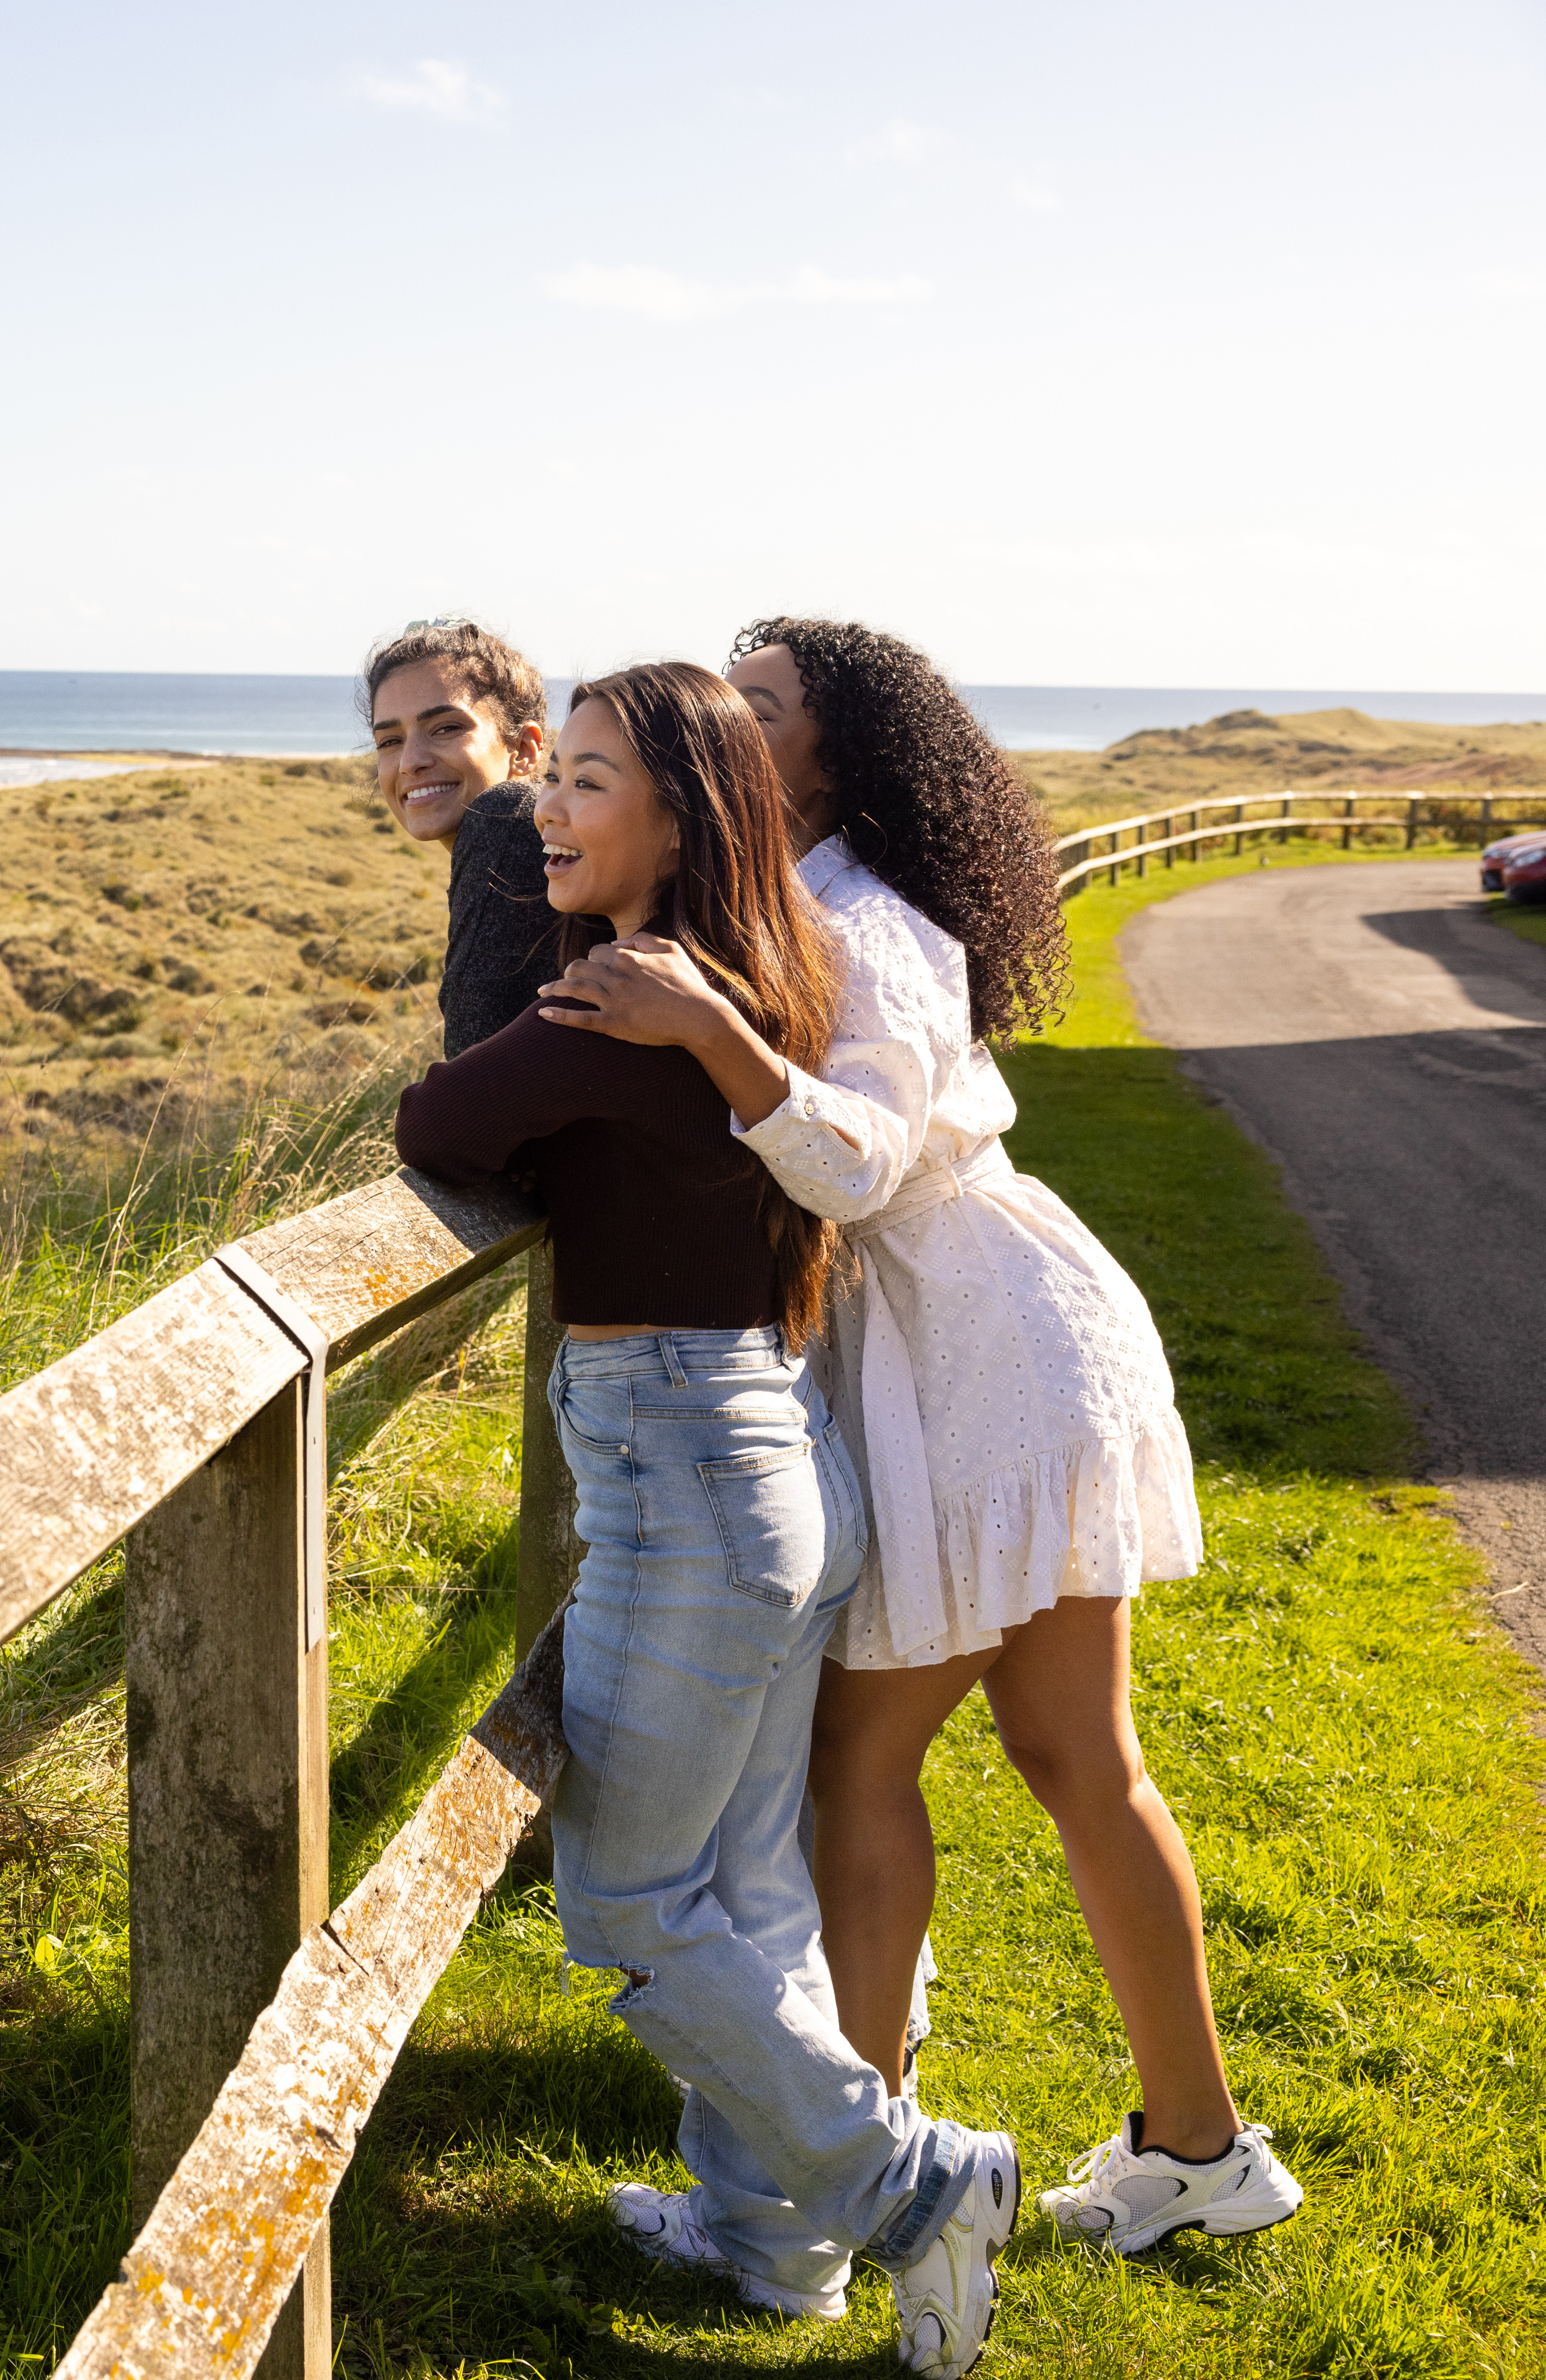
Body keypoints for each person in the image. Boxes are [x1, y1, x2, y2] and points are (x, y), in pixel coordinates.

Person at [537, 617, 1302, 2266]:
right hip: (961, 1340)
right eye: (723, 700)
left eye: (766, 703)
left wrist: (711, 1040)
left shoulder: (856, 922)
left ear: (837, 748)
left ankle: (853, 2186)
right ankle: (1194, 2151)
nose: (732, 722)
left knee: (873, 1771)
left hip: (982, 1351)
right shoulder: (791, 901)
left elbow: (864, 1168)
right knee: (1058, 1761)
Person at [398, 660, 1021, 2375]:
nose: (549, 810)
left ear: (677, 815)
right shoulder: (766, 975)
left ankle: (908, 2187)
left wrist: (551, 1001)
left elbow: (439, 1121)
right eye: (557, 777)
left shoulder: (632, 994)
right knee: (743, 1885)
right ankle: (773, 2246)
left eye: (586, 783)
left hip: (686, 1481)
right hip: (769, 1455)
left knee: (625, 1905)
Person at [363, 618, 557, 1055]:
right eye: (389, 741)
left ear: (524, 750)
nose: (410, 761)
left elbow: (469, 1084)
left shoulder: (508, 820)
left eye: (445, 729)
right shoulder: (551, 843)